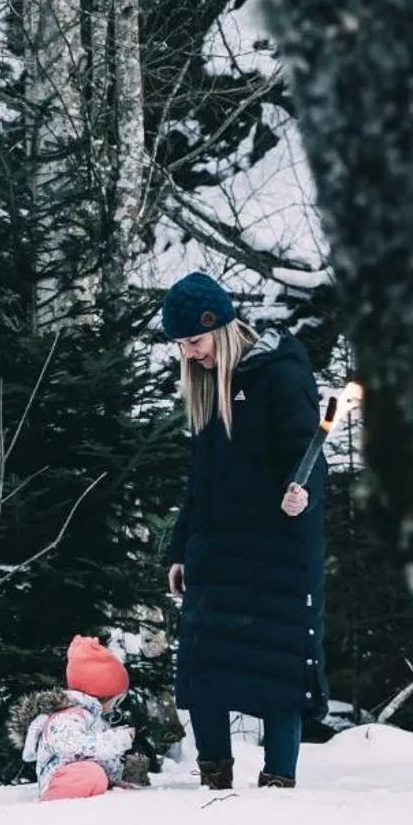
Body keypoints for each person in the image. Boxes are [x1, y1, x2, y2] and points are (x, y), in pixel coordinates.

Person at [160, 272, 328, 789]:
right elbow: (200, 481)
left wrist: (302, 493)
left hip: (276, 549)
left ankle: (279, 783)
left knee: (277, 672)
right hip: (216, 550)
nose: (190, 354)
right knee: (205, 669)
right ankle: (214, 781)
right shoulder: (207, 387)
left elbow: (308, 456)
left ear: (222, 328)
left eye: (196, 341)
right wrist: (180, 548)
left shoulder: (279, 375)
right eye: (182, 345)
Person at [9, 636, 145, 801]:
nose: (116, 707)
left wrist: (119, 772)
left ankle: (103, 783)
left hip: (80, 774)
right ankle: (56, 794)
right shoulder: (66, 717)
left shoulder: (94, 718)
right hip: (60, 779)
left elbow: (96, 756)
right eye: (116, 701)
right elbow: (75, 748)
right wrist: (116, 740)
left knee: (98, 775)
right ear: (103, 696)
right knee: (92, 775)